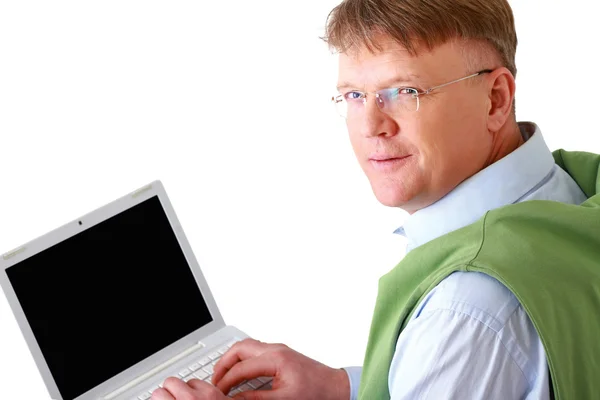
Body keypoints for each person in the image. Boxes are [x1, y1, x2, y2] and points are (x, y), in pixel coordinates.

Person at [152, 0, 600, 399]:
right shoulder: (571, 192)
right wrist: (342, 386)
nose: (371, 126)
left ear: (495, 100)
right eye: (354, 95)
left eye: (405, 91)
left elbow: (478, 342)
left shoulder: (466, 308)